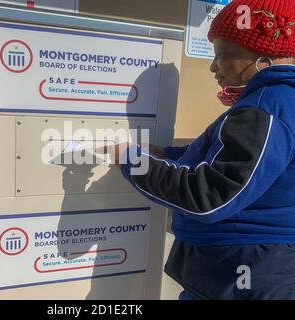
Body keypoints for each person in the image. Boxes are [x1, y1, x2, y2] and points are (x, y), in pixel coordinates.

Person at [115, 0, 295, 299]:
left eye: (222, 54)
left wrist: (131, 161)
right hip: (251, 268)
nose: (213, 67)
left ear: (262, 56)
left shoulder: (266, 108)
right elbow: (240, 166)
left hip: (241, 272)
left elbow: (208, 197)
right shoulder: (278, 104)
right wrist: (167, 155)